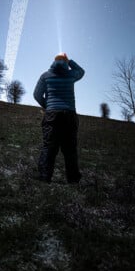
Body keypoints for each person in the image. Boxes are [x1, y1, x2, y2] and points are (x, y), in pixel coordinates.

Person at [33, 53, 85, 183]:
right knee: (70, 150)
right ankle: (73, 180)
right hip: (70, 115)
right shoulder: (71, 75)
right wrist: (70, 62)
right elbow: (81, 71)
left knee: (49, 147)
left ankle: (44, 178)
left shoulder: (45, 75)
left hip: (52, 115)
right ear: (66, 62)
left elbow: (37, 94)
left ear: (54, 61)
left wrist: (49, 106)